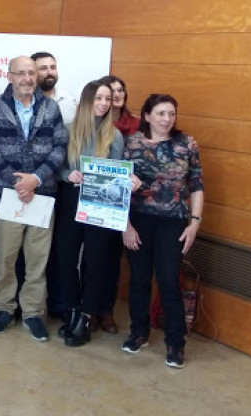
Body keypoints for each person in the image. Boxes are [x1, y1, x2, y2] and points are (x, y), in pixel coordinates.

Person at [0, 56, 67, 342]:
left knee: (37, 261)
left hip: (43, 197)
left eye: (31, 73)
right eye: (21, 73)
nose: (28, 78)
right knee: (6, 259)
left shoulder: (51, 107)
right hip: (8, 196)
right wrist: (19, 183)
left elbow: (60, 148)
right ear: (10, 76)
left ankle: (32, 313)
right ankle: (5, 308)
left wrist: (36, 179)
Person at [122, 94, 204, 369]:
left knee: (169, 282)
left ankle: (175, 342)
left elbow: (196, 185)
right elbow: (118, 186)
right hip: (138, 219)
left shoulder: (186, 144)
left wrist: (194, 222)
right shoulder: (132, 143)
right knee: (139, 279)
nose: (166, 119)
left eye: (171, 113)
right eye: (160, 113)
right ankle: (139, 332)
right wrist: (126, 226)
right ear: (147, 116)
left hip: (173, 222)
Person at [53, 80, 132, 347]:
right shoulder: (66, 131)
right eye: (98, 98)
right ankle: (73, 309)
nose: (103, 104)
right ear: (87, 100)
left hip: (101, 205)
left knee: (95, 263)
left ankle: (87, 316)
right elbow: (57, 169)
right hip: (71, 199)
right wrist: (68, 174)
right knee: (65, 259)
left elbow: (119, 174)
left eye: (107, 99)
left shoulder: (115, 136)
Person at [96, 74, 140, 333]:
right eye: (112, 91)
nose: (118, 94)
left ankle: (106, 310)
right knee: (93, 258)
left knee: (113, 259)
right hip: (98, 199)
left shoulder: (136, 125)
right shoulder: (93, 124)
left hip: (128, 201)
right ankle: (88, 306)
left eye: (121, 90)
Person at [31, 51, 78, 125]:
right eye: (43, 68)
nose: (50, 72)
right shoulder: (23, 103)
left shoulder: (69, 99)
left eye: (53, 67)